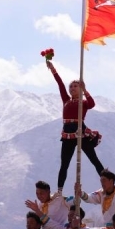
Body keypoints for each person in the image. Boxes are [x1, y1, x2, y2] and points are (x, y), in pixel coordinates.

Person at [47, 60, 106, 193]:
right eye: (71, 86)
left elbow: (92, 104)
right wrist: (53, 69)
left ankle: (108, 185)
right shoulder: (66, 100)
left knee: (94, 159)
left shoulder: (83, 102)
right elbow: (60, 84)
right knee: (64, 164)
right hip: (67, 134)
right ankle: (59, 192)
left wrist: (85, 90)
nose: (72, 88)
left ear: (80, 89)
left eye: (75, 86)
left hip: (81, 132)